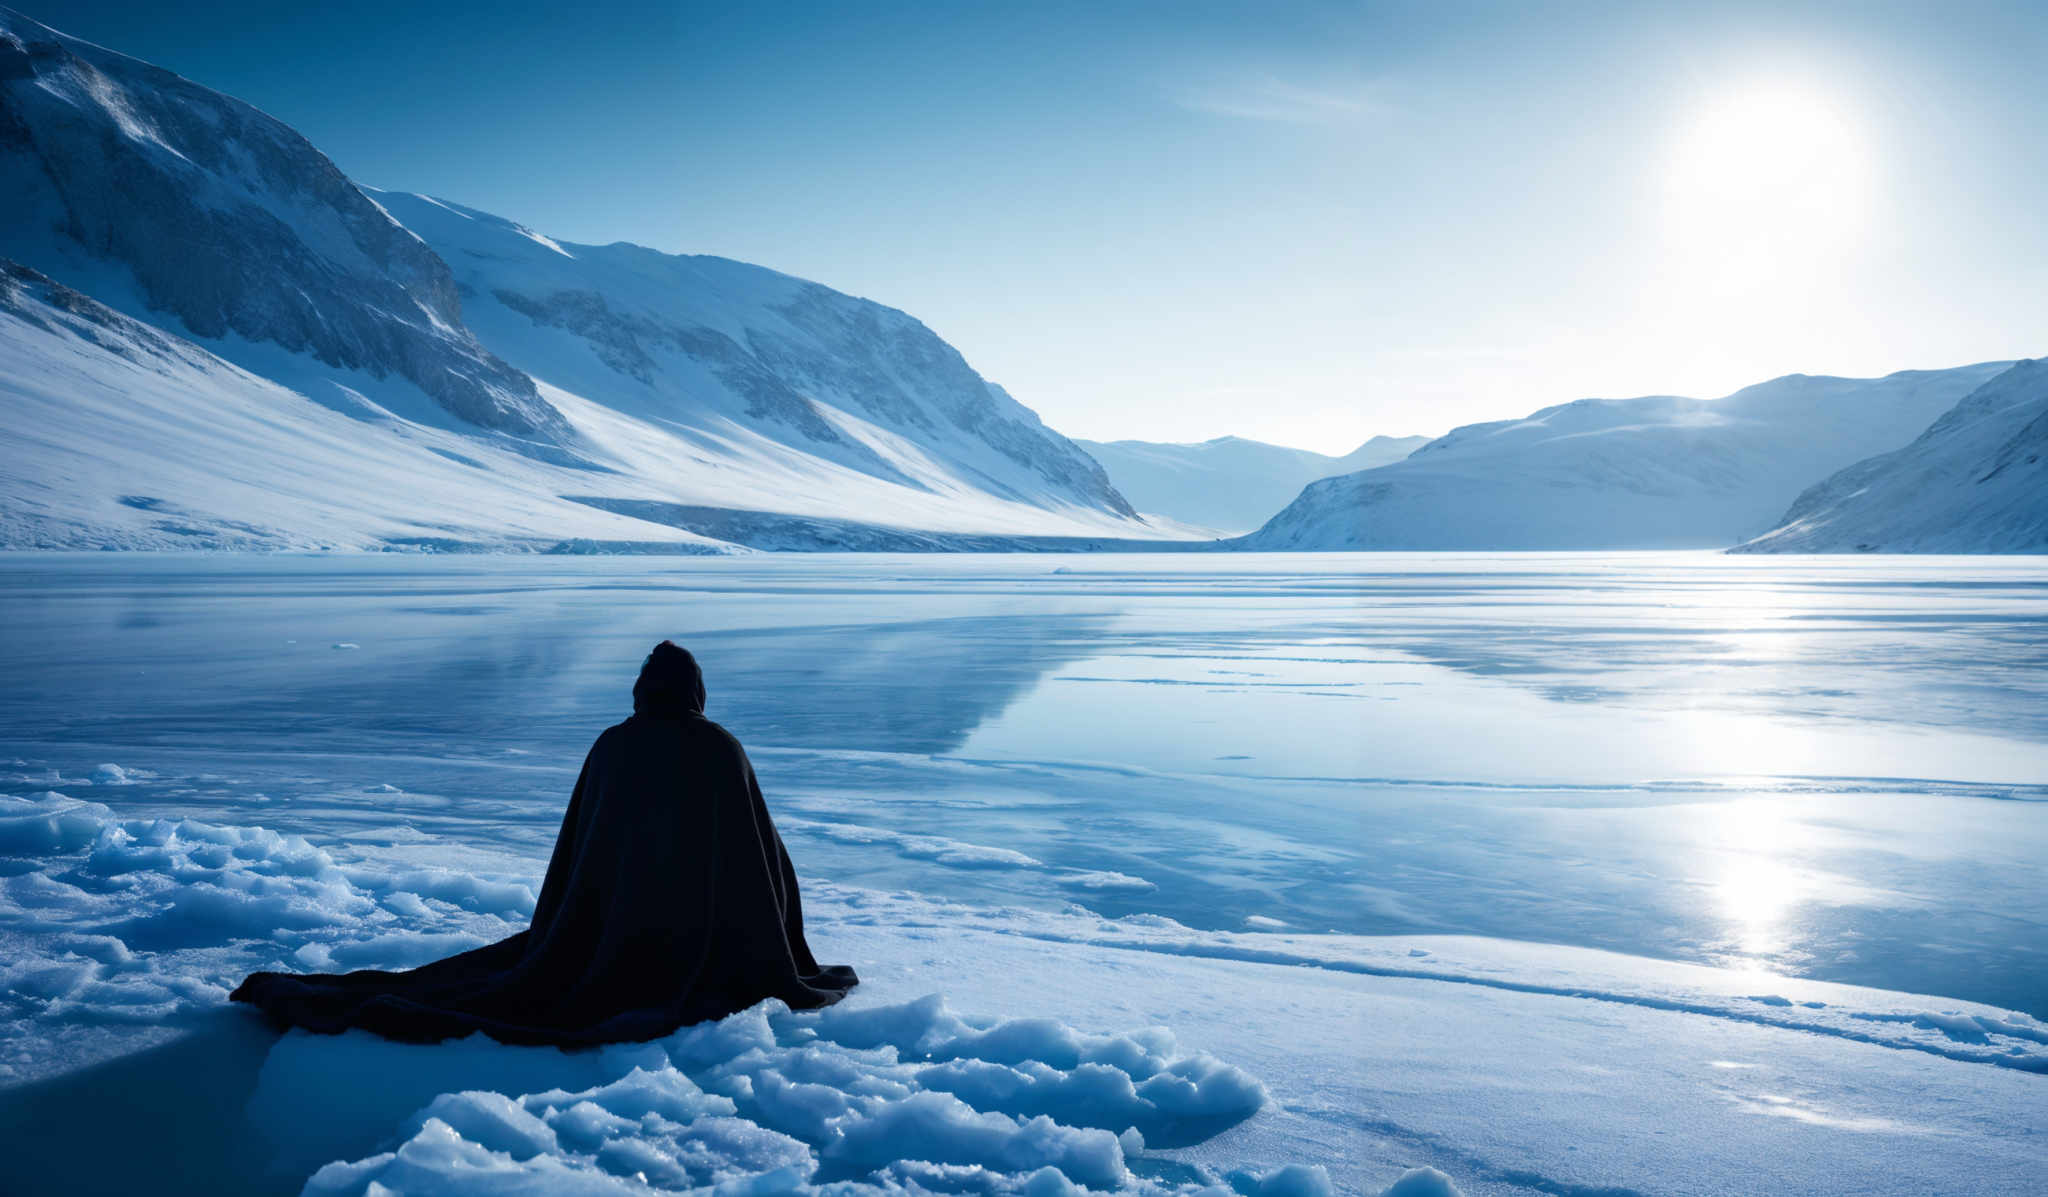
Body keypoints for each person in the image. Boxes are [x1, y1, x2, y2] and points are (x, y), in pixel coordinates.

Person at [231, 641, 857, 1045]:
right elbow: (762, 861)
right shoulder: (721, 748)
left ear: (644, 691)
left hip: (612, 932)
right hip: (708, 941)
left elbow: (580, 859)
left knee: (503, 985)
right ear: (695, 691)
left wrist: (578, 925)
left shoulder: (615, 746)